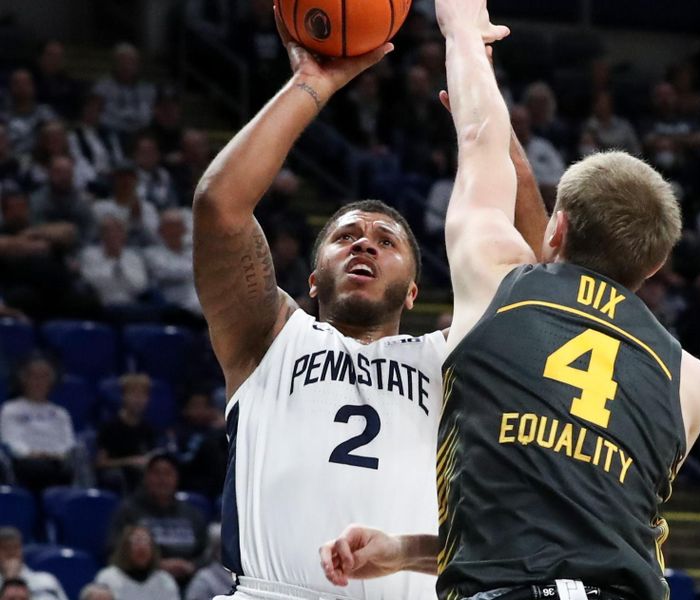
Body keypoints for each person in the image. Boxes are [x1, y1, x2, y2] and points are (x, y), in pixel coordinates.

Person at [320, 3, 700, 600]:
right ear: (654, 266)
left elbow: (479, 138)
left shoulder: (500, 280)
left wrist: (463, 29)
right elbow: (577, 527)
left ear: (554, 230)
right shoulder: (689, 379)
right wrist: (403, 551)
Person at [192, 6, 547, 600]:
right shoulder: (268, 337)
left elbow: (534, 273)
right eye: (346, 237)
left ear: (414, 289)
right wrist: (311, 83)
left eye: (387, 241)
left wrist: (485, 106)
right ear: (311, 278)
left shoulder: (449, 359)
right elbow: (218, 207)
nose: (364, 243)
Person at [107, 453, 208, 585]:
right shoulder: (129, 512)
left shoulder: (192, 514)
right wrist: (156, 564)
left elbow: (206, 553)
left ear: (177, 478)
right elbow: (114, 550)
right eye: (156, 473)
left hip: (190, 582)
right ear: (146, 478)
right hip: (142, 580)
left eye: (168, 473)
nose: (162, 479)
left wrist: (191, 566)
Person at [0, 357, 75, 493]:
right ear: (24, 379)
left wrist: (55, 454)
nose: (39, 382)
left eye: (44, 377)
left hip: (57, 460)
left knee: (71, 466)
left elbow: (68, 442)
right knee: (37, 469)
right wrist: (31, 454)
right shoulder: (10, 409)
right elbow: (10, 440)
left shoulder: (60, 413)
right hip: (25, 462)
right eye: (35, 377)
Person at [96, 526, 180, 600]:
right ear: (125, 549)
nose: (141, 547)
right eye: (136, 542)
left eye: (146, 542)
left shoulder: (165, 580)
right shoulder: (108, 578)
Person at [0, 528, 68, 600]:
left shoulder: (46, 581)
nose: (11, 553)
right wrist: (10, 580)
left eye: (15, 547)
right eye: (5, 548)